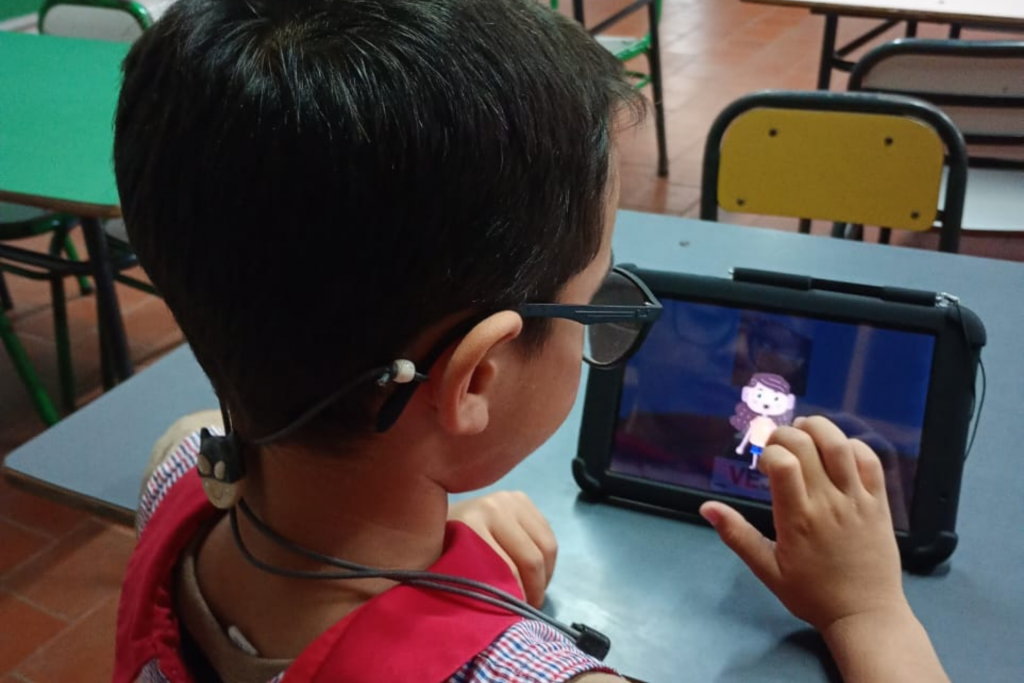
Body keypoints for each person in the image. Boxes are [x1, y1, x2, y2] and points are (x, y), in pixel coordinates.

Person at [112, 1, 950, 681]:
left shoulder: (177, 468)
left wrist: (419, 526)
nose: (599, 319)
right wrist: (867, 611)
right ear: (476, 380)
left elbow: (270, 467)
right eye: (593, 302)